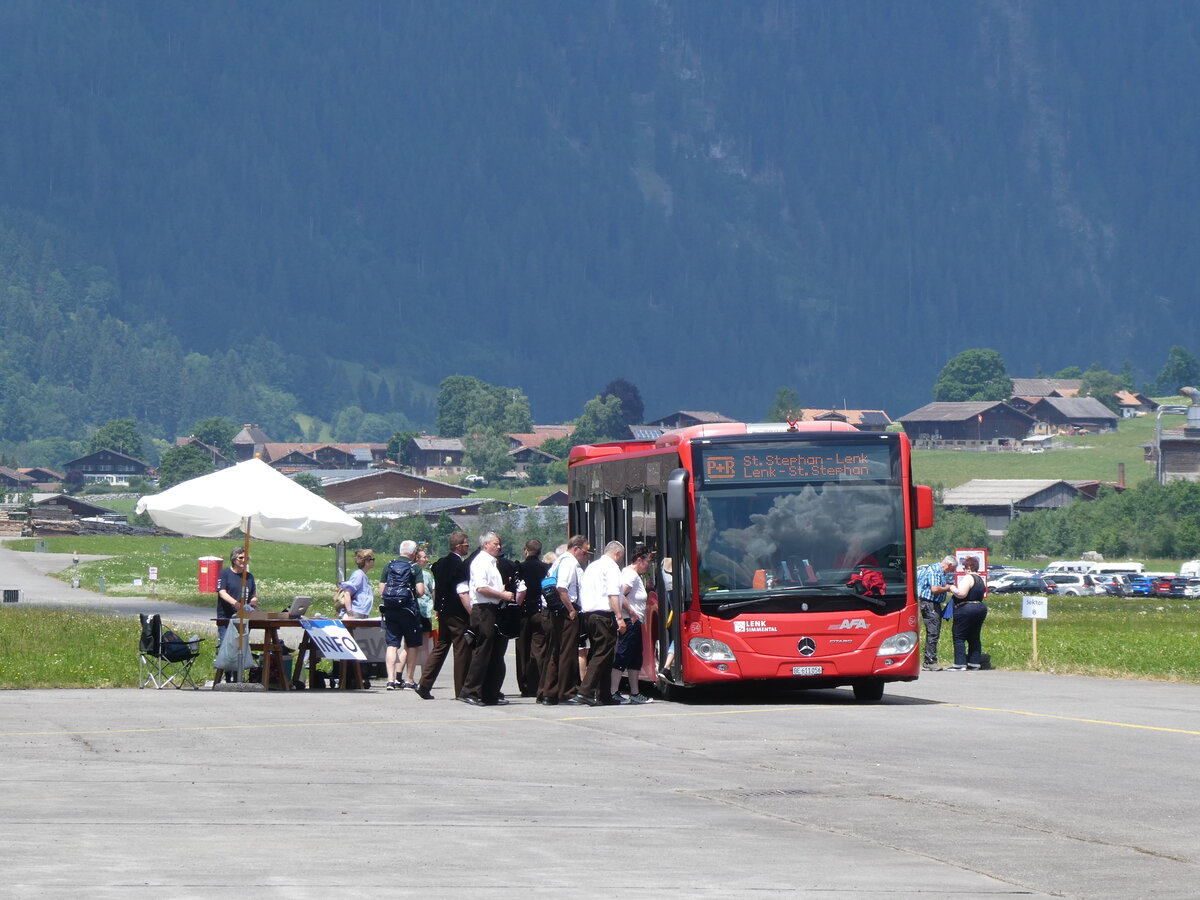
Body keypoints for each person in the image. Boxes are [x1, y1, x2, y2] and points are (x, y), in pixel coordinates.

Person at [460, 532, 516, 706]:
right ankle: (469, 691)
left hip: (493, 607)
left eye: (499, 544)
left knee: (494, 652)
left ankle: (489, 693)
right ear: (485, 545)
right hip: (484, 609)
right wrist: (502, 594)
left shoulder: (492, 563)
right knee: (483, 651)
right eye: (495, 544)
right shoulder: (481, 562)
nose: (498, 547)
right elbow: (481, 588)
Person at [415, 532, 472, 700]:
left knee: (441, 646)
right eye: (467, 545)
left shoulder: (440, 563)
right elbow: (461, 591)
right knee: (461, 648)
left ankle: (424, 684)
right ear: (459, 546)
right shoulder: (459, 566)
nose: (468, 547)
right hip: (457, 612)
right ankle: (461, 690)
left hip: (443, 610)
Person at [571, 540, 625, 706]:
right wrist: (619, 617)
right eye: (621, 557)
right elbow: (613, 594)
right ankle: (585, 691)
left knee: (603, 654)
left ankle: (604, 694)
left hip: (589, 614)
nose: (621, 560)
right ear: (617, 554)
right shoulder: (612, 567)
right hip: (603, 615)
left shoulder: (592, 566)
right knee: (602, 652)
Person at [539, 536, 588, 705]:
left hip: (555, 611)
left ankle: (549, 692)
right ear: (576, 548)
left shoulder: (559, 560)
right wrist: (571, 609)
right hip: (565, 611)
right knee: (568, 653)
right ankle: (566, 692)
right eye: (585, 551)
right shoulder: (569, 562)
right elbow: (562, 588)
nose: (586, 555)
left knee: (555, 652)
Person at [380, 540, 425, 691]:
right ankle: (409, 680)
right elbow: (420, 591)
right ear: (413, 553)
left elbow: (382, 590)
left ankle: (390, 680)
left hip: (391, 609)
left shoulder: (389, 565)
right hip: (409, 610)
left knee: (392, 645)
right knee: (412, 644)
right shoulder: (415, 567)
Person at [611, 544, 653, 704]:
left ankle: (635, 693)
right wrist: (632, 611)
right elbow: (620, 595)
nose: (649, 565)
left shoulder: (634, 575)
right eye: (647, 561)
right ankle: (613, 690)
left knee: (635, 657)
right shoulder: (631, 575)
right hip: (630, 621)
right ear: (639, 560)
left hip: (635, 622)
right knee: (623, 654)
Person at [215, 545, 258, 681]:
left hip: (243, 618)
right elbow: (222, 592)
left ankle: (239, 676)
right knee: (227, 647)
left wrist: (253, 603)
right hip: (226, 617)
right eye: (241, 558)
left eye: (246, 558)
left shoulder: (249, 577)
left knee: (241, 646)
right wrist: (235, 604)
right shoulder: (225, 574)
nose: (243, 560)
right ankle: (228, 677)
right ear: (234, 559)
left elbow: (253, 595)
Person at [515, 539, 550, 698]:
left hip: (522, 613)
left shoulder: (519, 568)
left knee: (522, 650)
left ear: (525, 550)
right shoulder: (545, 568)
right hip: (539, 611)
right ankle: (541, 685)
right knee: (539, 649)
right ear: (540, 552)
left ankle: (525, 685)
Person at [399, 546, 436, 689]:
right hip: (424, 611)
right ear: (417, 559)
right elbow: (433, 592)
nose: (426, 559)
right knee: (424, 647)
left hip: (409, 610)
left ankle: (397, 675)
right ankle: (424, 677)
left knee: (408, 646)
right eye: (424, 557)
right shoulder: (425, 574)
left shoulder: (408, 572)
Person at [947, 556, 988, 671]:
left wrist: (952, 588)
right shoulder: (980, 579)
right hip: (980, 608)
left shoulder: (968, 578)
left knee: (959, 636)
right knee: (974, 636)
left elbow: (962, 593)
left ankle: (960, 664)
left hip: (966, 608)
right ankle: (974, 662)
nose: (964, 570)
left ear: (969, 568)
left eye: (965, 568)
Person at [916, 555, 956, 671]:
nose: (951, 572)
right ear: (948, 565)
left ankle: (929, 660)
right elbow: (935, 589)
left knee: (933, 631)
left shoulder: (937, 570)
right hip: (930, 604)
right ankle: (930, 661)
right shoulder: (935, 571)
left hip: (931, 604)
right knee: (933, 632)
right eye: (952, 569)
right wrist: (947, 588)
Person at [336, 549, 376, 618]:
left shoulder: (363, 575)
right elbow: (347, 593)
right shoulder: (359, 575)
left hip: (362, 612)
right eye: (373, 559)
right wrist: (350, 613)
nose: (374, 561)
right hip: (356, 612)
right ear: (367, 562)